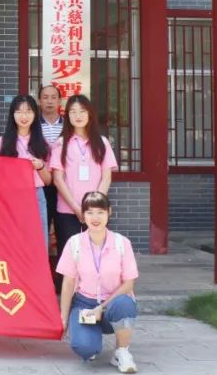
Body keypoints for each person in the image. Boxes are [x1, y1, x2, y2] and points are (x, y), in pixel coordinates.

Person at [57, 191, 139, 373]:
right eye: (90, 212)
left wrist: (101, 307)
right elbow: (68, 283)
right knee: (84, 348)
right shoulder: (74, 243)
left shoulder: (122, 243)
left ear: (109, 212)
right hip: (85, 304)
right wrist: (63, 318)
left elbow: (128, 284)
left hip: (113, 303)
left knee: (125, 303)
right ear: (83, 215)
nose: (95, 218)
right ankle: (91, 342)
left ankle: (122, 351)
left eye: (100, 212)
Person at [48, 95, 117, 259]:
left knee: (95, 254)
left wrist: (94, 206)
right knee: (69, 256)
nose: (78, 116)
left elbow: (106, 177)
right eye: (73, 112)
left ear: (90, 114)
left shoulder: (102, 142)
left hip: (95, 211)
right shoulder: (60, 143)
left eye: (82, 111)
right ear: (67, 116)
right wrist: (76, 208)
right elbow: (58, 179)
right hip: (67, 210)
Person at [0, 95, 51, 239]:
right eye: (19, 111)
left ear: (35, 114)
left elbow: (48, 180)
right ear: (12, 115)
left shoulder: (42, 143)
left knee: (37, 238)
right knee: (10, 239)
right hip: (8, 196)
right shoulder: (0, 143)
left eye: (28, 111)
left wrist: (40, 166)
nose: (24, 116)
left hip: (35, 195)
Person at [39, 84, 64, 250]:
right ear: (39, 101)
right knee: (42, 225)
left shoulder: (69, 125)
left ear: (60, 101)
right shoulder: (32, 125)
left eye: (53, 97)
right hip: (41, 183)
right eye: (45, 97)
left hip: (65, 184)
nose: (49, 101)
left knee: (64, 227)